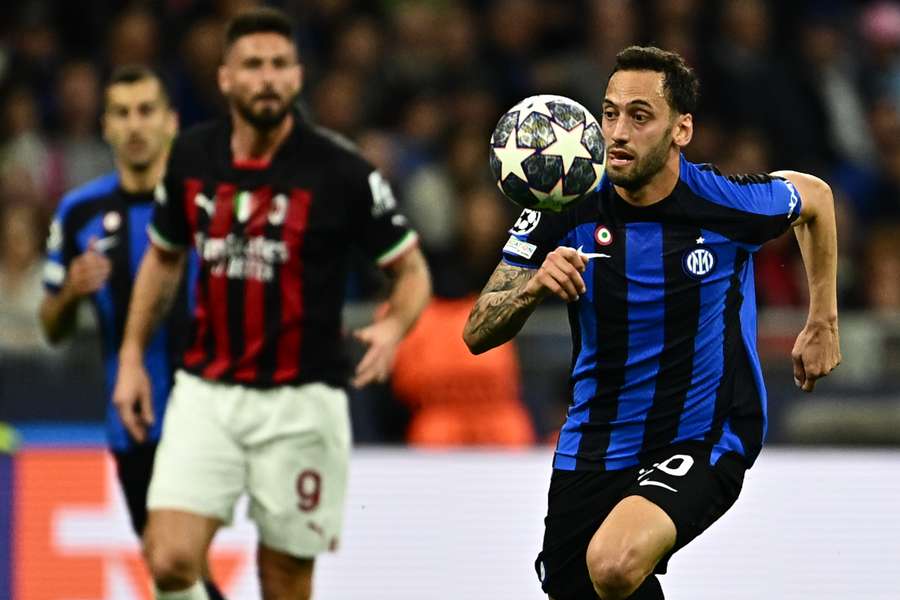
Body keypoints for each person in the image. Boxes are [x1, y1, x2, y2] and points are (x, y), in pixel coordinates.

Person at [463, 46, 841, 600]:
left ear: (680, 129)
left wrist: (823, 320)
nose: (617, 131)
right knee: (585, 585)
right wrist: (533, 285)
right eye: (609, 113)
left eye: (639, 117)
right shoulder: (563, 203)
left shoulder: (725, 203)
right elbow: (477, 331)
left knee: (615, 562)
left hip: (705, 436)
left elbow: (816, 198)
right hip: (593, 442)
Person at [112, 8, 431, 600]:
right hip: (207, 392)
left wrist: (392, 330)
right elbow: (162, 258)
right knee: (170, 558)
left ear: (299, 76)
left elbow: (409, 270)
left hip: (302, 402)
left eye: (280, 65)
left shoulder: (344, 172)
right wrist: (132, 356)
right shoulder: (189, 159)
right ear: (225, 78)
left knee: (285, 582)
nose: (268, 78)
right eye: (253, 65)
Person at [38, 66, 226, 599]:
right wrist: (70, 293)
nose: (135, 124)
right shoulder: (79, 213)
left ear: (170, 122)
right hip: (133, 422)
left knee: (176, 557)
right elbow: (51, 327)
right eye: (122, 113)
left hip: (210, 411)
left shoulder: (209, 201)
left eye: (146, 110)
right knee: (171, 572)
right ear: (105, 127)